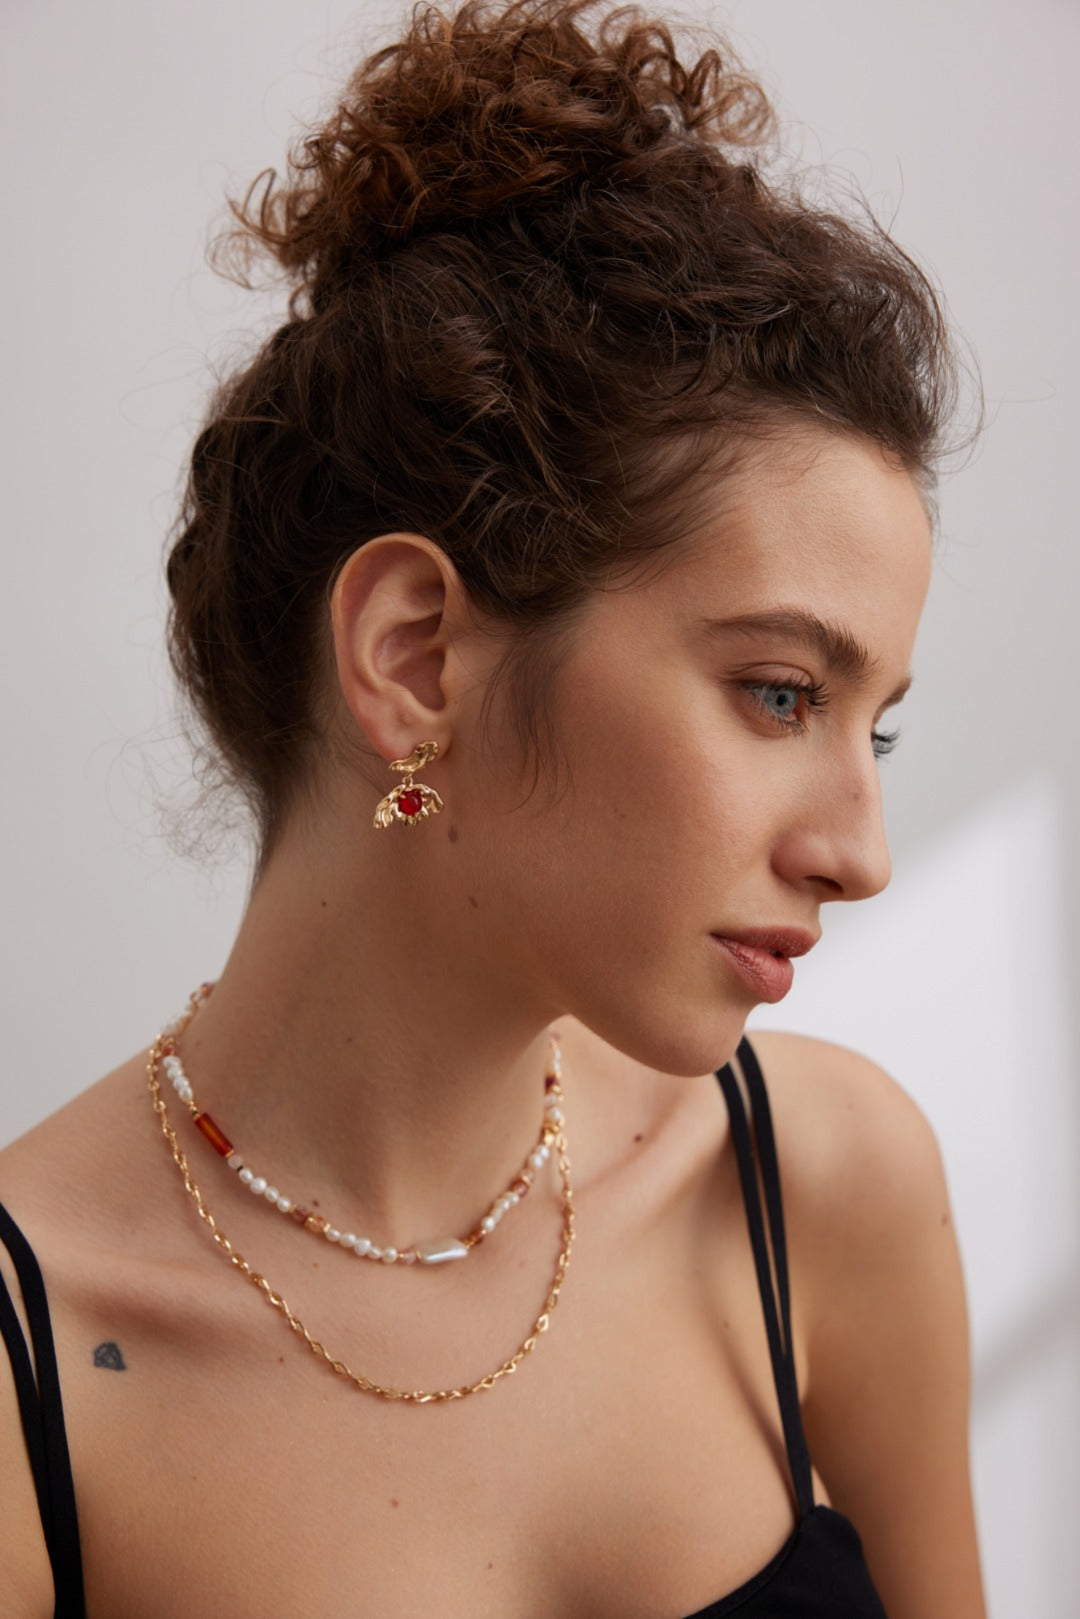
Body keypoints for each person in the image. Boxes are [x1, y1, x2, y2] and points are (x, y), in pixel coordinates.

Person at [0, 1, 989, 1614]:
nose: (859, 856)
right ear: (419, 658)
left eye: (869, 731)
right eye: (781, 694)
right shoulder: (30, 1375)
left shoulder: (819, 1186)